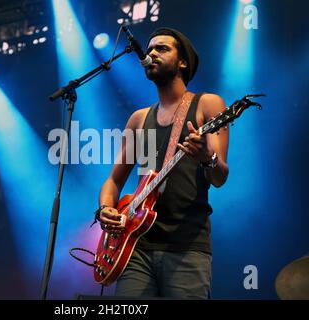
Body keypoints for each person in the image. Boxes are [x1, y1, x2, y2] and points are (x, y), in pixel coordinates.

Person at [96, 27, 230, 299]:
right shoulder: (139, 118)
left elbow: (219, 177)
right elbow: (114, 180)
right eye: (150, 49)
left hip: (186, 247)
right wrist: (106, 208)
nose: (152, 53)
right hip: (136, 247)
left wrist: (207, 157)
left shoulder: (208, 104)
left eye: (162, 49)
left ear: (182, 62)